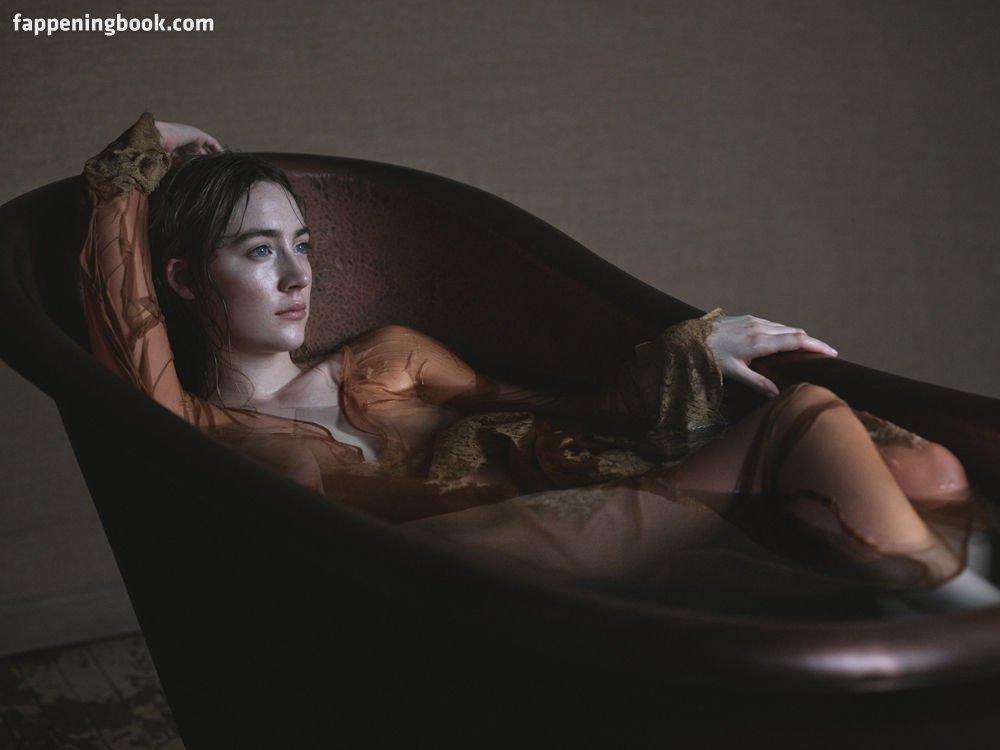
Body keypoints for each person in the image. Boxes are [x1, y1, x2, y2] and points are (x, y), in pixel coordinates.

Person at [80, 113, 1000, 614]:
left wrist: (684, 349)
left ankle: (907, 606)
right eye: (257, 251)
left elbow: (574, 412)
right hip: (463, 575)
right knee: (807, 421)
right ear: (186, 280)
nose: (297, 276)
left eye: (304, 244)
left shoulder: (389, 359)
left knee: (928, 470)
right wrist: (147, 151)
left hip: (571, 511)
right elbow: (121, 316)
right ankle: (967, 628)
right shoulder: (196, 425)